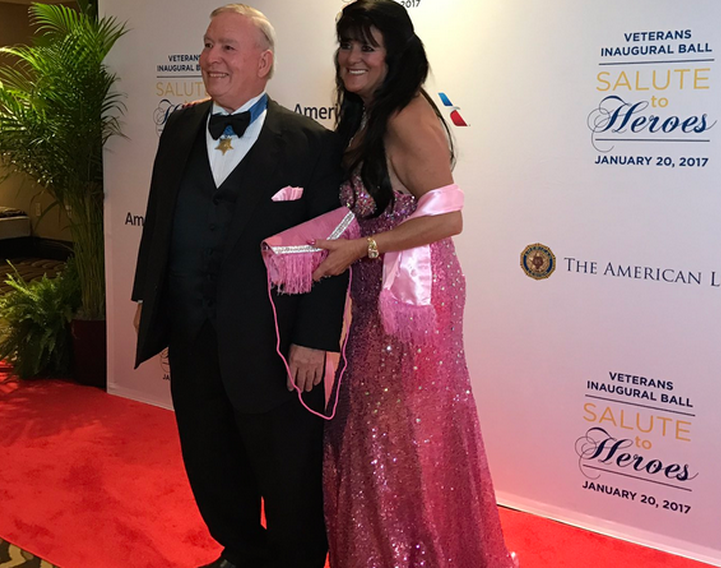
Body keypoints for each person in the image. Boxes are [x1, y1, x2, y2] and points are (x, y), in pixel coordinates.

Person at [131, 5, 347, 568]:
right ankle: (242, 550)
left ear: (264, 62)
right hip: (192, 332)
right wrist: (145, 298)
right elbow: (159, 216)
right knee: (210, 459)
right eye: (207, 45)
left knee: (287, 471)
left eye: (227, 47)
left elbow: (332, 247)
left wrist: (318, 338)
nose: (210, 59)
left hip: (275, 345)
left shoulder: (311, 145)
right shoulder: (179, 126)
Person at [312, 1, 517, 566]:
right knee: (385, 431)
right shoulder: (370, 110)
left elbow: (448, 218)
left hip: (415, 297)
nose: (351, 58)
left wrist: (362, 247)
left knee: (398, 435)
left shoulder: (404, 115)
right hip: (379, 292)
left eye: (366, 46)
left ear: (394, 55)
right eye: (346, 44)